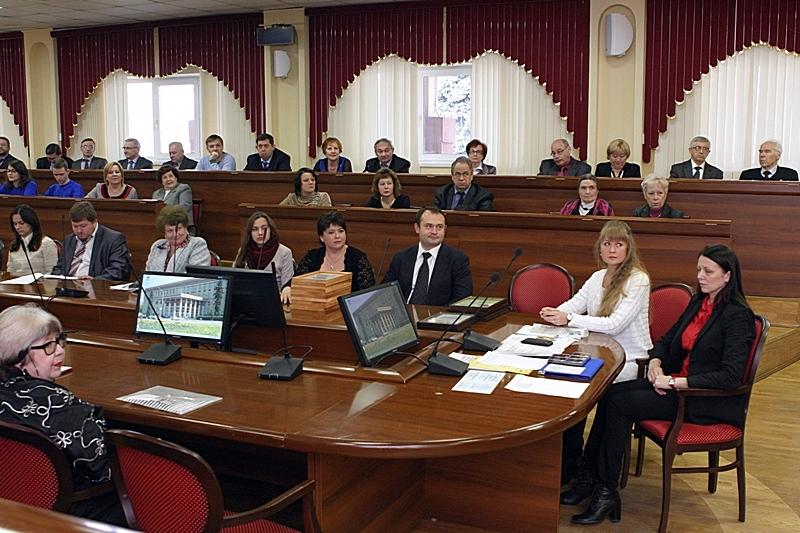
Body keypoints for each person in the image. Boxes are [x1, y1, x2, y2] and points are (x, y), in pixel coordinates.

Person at [567, 244, 754, 525]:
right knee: (609, 393)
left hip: (703, 399)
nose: (700, 276)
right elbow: (667, 340)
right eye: (699, 269)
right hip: (676, 386)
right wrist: (656, 363)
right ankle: (590, 477)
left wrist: (676, 381)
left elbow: (731, 376)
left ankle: (605, 489)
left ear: (727, 276)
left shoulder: (737, 315)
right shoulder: (699, 302)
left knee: (619, 403)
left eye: (708, 271)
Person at [540, 220, 651, 488]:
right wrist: (554, 312)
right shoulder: (596, 277)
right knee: (563, 384)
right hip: (597, 355)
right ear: (599, 248)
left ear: (628, 248)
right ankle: (569, 463)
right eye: (607, 244)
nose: (612, 250)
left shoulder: (638, 280)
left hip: (629, 360)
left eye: (618, 244)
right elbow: (574, 305)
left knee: (579, 387)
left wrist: (569, 319)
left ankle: (584, 470)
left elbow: (615, 324)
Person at [0, 305, 126, 526]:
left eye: (59, 341)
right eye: (48, 345)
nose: (59, 350)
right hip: (71, 512)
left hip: (13, 506)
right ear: (18, 357)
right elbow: (101, 470)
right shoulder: (60, 407)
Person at [383, 206, 472, 305]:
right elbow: (386, 291)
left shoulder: (457, 260)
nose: (434, 232)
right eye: (429, 226)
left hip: (438, 313)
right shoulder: (401, 257)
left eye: (439, 227)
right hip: (405, 311)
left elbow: (462, 298)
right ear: (417, 228)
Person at [291, 211, 375, 297]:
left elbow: (368, 292)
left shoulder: (357, 257)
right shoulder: (312, 257)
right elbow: (295, 281)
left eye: (341, 231)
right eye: (331, 232)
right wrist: (287, 288)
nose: (337, 236)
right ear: (321, 237)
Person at [51, 201, 130, 281]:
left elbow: (118, 270)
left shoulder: (113, 239)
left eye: (83, 226)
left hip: (96, 286)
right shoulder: (69, 240)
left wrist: (94, 281)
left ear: (94, 222)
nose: (79, 231)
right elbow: (58, 268)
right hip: (69, 286)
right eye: (75, 226)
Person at [233, 211, 295, 304]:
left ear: (271, 230)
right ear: (250, 232)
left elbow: (287, 284)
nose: (260, 233)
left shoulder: (284, 252)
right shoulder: (243, 250)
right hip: (247, 301)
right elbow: (235, 279)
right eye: (255, 229)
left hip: (273, 301)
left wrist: (286, 288)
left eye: (264, 228)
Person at [145, 205, 210, 273]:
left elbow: (197, 276)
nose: (175, 234)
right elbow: (147, 274)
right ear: (164, 233)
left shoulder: (197, 244)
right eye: (170, 231)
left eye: (179, 228)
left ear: (185, 227)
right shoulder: (157, 246)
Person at [6, 204, 59, 276]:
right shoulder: (14, 245)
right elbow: (10, 272)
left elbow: (52, 272)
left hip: (40, 282)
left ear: (31, 222)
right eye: (15, 224)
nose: (17, 227)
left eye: (21, 223)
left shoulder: (47, 243)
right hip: (17, 282)